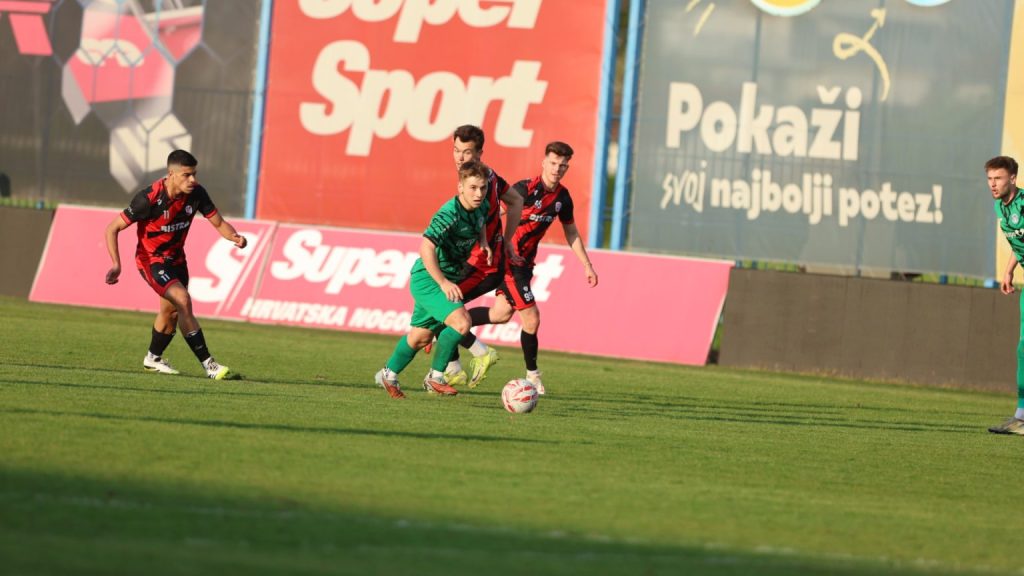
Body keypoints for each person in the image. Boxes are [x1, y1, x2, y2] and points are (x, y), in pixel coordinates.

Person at [104, 149, 246, 380]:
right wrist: (116, 264)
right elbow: (112, 228)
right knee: (182, 299)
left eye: (194, 174)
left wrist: (234, 237)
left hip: (178, 261)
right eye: (187, 175)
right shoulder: (148, 198)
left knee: (170, 314)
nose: (193, 180)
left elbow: (219, 223)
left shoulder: (197, 193)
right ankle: (210, 365)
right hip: (151, 261)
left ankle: (153, 359)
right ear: (171, 174)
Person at [477, 141, 599, 395]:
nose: (557, 169)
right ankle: (533, 376)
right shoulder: (524, 189)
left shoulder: (562, 198)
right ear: (544, 162)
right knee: (532, 318)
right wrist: (489, 243)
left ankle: (449, 324)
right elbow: (494, 214)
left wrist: (587, 265)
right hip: (509, 262)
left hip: (526, 265)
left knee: (500, 314)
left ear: (567, 168)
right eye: (553, 163)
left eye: (562, 165)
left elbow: (571, 232)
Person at [374, 160, 494, 399]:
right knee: (462, 322)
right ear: (460, 187)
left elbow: (481, 224)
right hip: (429, 278)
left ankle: (388, 374)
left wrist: (484, 242)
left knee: (421, 337)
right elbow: (426, 247)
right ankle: (436, 377)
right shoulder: (449, 214)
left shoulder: (483, 206)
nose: (478, 193)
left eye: (483, 188)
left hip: (447, 276)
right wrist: (443, 283)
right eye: (472, 188)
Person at [438, 125, 524, 388]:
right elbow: (516, 201)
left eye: (466, 152)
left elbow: (490, 214)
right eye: (456, 150)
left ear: (479, 154)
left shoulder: (481, 185)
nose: (459, 157)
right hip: (477, 263)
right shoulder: (490, 177)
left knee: (440, 310)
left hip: (480, 265)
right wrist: (507, 240)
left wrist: (502, 240)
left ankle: (478, 355)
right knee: (442, 313)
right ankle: (454, 368)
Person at [987, 155, 1024, 434]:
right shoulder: (1000, 206)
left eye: (998, 178)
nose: (993, 184)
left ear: (1012, 178)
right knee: (1022, 350)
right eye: (989, 179)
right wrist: (1009, 270)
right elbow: (1017, 242)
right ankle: (1021, 416)